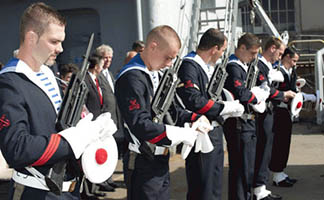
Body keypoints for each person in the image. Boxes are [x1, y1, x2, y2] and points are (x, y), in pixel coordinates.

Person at [0, 3, 115, 200]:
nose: (60, 49)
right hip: (37, 192)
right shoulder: (10, 82)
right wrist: (75, 140)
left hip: (68, 188)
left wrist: (91, 128)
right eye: (54, 41)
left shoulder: (48, 74)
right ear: (31, 37)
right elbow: (16, 148)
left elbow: (59, 124)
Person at [115, 25, 210, 200]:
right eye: (168, 57)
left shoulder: (157, 74)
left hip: (160, 159)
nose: (170, 64)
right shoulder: (131, 77)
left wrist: (195, 118)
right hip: (143, 160)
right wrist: (179, 133)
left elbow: (172, 111)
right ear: (153, 46)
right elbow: (140, 124)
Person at [176, 28, 245, 200]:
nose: (222, 55)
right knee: (203, 185)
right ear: (214, 48)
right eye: (222, 50)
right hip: (200, 132)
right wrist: (224, 108)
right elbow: (194, 100)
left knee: (214, 182)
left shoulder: (204, 67)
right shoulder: (189, 65)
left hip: (213, 129)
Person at [223, 33, 269, 200]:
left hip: (247, 122)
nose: (254, 57)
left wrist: (261, 90)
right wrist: (257, 97)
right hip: (238, 124)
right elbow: (241, 93)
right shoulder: (233, 66)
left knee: (247, 169)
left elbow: (260, 82)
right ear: (242, 48)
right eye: (253, 53)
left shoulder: (244, 65)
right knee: (241, 169)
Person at [253, 37, 296, 200]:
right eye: (280, 52)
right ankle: (258, 189)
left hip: (269, 112)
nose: (281, 55)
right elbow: (264, 88)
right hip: (262, 113)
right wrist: (282, 94)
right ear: (272, 48)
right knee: (263, 150)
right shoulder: (260, 66)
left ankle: (261, 187)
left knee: (267, 149)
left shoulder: (267, 66)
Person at [95, 44, 126, 191]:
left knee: (111, 150)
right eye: (105, 57)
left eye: (110, 58)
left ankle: (108, 178)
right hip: (104, 117)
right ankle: (102, 181)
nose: (108, 60)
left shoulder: (109, 74)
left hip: (113, 117)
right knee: (104, 150)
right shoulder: (97, 75)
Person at [269, 47, 300, 187]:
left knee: (284, 142)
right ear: (286, 57)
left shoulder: (291, 71)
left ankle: (280, 172)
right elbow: (270, 90)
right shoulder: (276, 71)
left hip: (287, 111)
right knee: (278, 143)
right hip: (277, 111)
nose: (294, 64)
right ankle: (276, 174)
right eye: (293, 60)